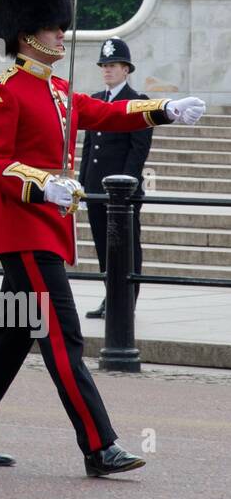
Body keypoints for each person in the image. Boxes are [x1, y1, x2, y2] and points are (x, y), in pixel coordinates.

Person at [0, 0, 205, 477]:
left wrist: (163, 109)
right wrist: (41, 185)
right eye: (51, 25)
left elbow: (107, 114)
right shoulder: (2, 92)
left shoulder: (58, 91)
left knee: (10, 336)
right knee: (63, 336)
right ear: (25, 32)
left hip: (46, 228)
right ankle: (98, 444)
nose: (61, 32)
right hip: (22, 228)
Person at [78, 37, 152, 318]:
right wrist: (83, 185)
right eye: (104, 65)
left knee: (127, 247)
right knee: (103, 246)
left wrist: (126, 186)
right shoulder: (96, 100)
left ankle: (126, 301)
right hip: (97, 188)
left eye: (113, 65)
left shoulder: (138, 102)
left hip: (122, 191)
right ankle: (110, 296)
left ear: (126, 70)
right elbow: (89, 147)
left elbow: (138, 150)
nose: (107, 70)